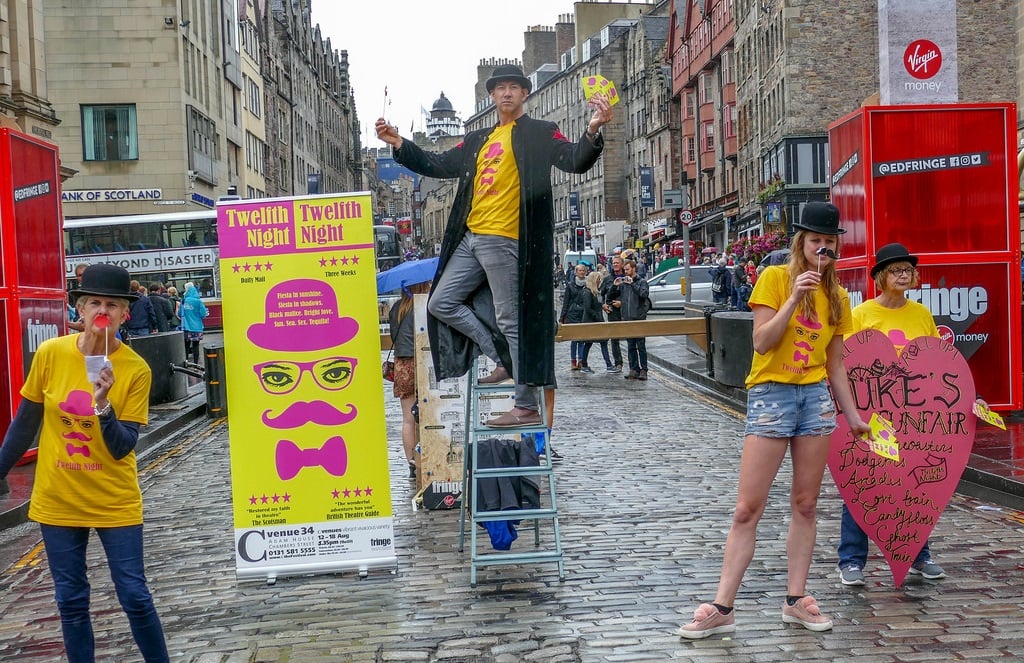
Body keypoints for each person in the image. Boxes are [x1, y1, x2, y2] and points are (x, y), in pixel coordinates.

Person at [375, 63, 613, 428]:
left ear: (524, 94)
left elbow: (573, 160)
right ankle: (501, 357)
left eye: (513, 88)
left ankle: (525, 403)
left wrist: (593, 129)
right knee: (441, 302)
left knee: (510, 318)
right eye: (499, 88)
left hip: (506, 237)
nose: (505, 93)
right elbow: (437, 163)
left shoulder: (539, 132)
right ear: (492, 96)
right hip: (470, 237)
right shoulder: (476, 140)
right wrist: (399, 144)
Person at [678, 202, 871, 639]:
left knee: (805, 504)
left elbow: (835, 365)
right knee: (748, 508)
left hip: (817, 401)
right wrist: (795, 298)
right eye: (815, 241)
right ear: (800, 242)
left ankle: (795, 599)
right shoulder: (775, 279)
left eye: (829, 242)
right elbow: (762, 343)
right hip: (772, 396)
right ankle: (723, 604)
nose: (822, 249)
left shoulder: (838, 298)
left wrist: (854, 416)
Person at [0, 263, 170, 662]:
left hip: (114, 500)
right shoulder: (51, 354)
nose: (102, 312)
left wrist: (103, 404)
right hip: (58, 498)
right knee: (71, 600)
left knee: (134, 594)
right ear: (79, 308)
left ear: (125, 314)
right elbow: (25, 425)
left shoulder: (135, 369)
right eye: (94, 302)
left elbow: (121, 447)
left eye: (113, 305)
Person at [835, 242, 966, 585]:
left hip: (914, 416)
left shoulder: (920, 314)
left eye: (907, 270)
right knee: (863, 483)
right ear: (880, 276)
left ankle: (918, 555)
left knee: (914, 485)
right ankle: (851, 560)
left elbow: (936, 361)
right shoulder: (861, 314)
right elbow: (849, 363)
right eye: (895, 270)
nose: (903, 275)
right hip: (873, 414)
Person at [389, 281, 432, 479]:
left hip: (402, 365)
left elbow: (392, 336)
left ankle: (411, 463)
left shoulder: (396, 308)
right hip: (423, 361)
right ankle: (428, 458)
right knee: (428, 415)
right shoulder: (425, 304)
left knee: (407, 418)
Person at [606, 260, 650, 380]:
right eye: (625, 270)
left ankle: (644, 370)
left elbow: (644, 294)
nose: (626, 272)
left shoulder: (642, 282)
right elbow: (609, 297)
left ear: (634, 269)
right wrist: (614, 286)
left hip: (639, 318)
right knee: (631, 346)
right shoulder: (623, 284)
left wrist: (633, 284)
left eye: (628, 269)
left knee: (641, 346)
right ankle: (633, 369)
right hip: (627, 318)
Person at [560, 263, 591, 371]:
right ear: (576, 272)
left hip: (584, 313)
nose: (582, 272)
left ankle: (581, 361)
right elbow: (566, 302)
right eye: (580, 270)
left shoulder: (588, 284)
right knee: (574, 339)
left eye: (583, 270)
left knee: (582, 338)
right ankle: (573, 361)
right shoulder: (570, 285)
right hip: (572, 314)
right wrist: (562, 317)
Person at [581, 270, 614, 372]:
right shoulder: (587, 292)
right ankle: (584, 365)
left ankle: (608, 364)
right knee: (588, 343)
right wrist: (597, 317)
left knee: (602, 342)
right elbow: (588, 308)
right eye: (599, 279)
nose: (600, 281)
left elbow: (598, 305)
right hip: (591, 322)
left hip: (598, 320)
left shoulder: (596, 292)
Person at [599, 255, 626, 373]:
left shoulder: (627, 278)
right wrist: (603, 305)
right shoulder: (608, 279)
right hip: (612, 311)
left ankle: (635, 366)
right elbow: (600, 294)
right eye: (613, 263)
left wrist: (622, 303)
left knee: (631, 337)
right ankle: (618, 363)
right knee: (615, 339)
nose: (615, 264)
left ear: (622, 265)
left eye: (617, 263)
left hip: (626, 311)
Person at [179, 282, 209, 364]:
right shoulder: (198, 301)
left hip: (186, 327)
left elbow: (179, 313)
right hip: (197, 327)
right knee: (196, 346)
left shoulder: (184, 300)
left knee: (186, 346)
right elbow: (203, 314)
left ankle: (186, 362)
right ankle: (196, 363)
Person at [67, 263, 90, 332]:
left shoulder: (99, 293)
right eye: (79, 275)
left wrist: (66, 323)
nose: (82, 277)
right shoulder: (79, 294)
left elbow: (86, 325)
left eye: (85, 274)